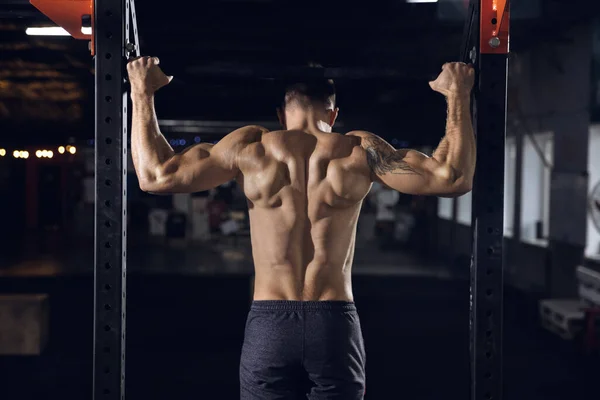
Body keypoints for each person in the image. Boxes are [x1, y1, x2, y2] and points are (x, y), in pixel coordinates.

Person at [127, 57, 476, 400]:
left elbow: (155, 176)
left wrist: (142, 92)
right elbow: (452, 178)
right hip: (334, 322)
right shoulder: (360, 150)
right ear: (334, 114)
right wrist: (457, 94)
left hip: (270, 321)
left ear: (282, 113)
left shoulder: (251, 147)